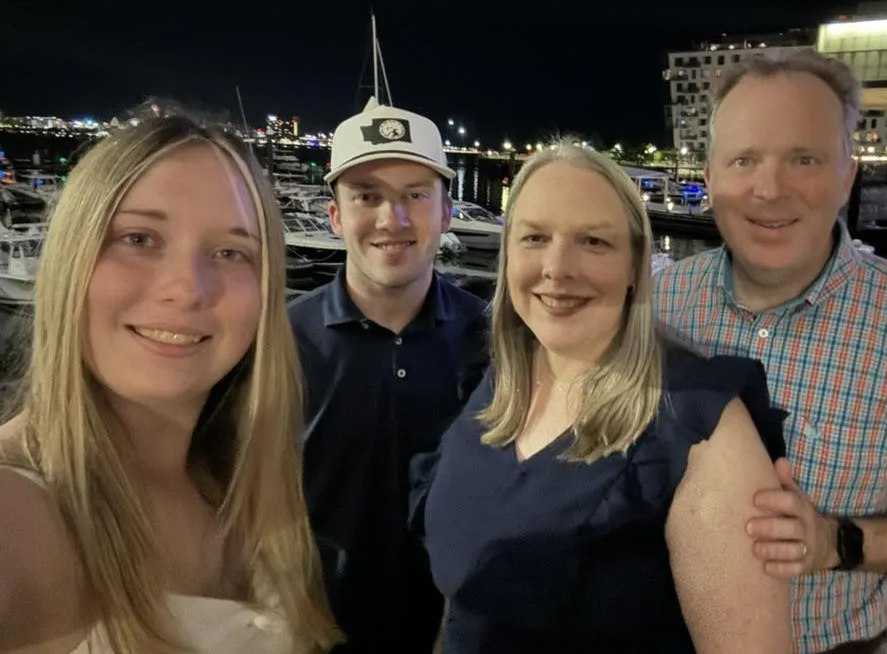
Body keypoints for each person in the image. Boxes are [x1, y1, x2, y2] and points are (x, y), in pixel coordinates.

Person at [654, 49, 887, 654]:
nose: (769, 189)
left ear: (848, 172)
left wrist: (836, 543)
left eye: (804, 158)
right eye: (744, 159)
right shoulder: (657, 308)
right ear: (710, 175)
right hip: (654, 632)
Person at [410, 144, 793, 653]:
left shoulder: (698, 426)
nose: (557, 267)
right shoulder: (493, 383)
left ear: (635, 264)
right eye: (534, 238)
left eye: (592, 241)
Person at [0, 111, 340, 654]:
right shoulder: (19, 512)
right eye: (139, 237)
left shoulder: (239, 483)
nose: (186, 288)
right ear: (71, 258)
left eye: (232, 252)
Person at [289, 99, 489, 652]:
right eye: (367, 196)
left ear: (446, 212)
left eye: (414, 196)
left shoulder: (494, 341)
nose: (391, 219)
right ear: (334, 215)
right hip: (312, 634)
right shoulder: (281, 342)